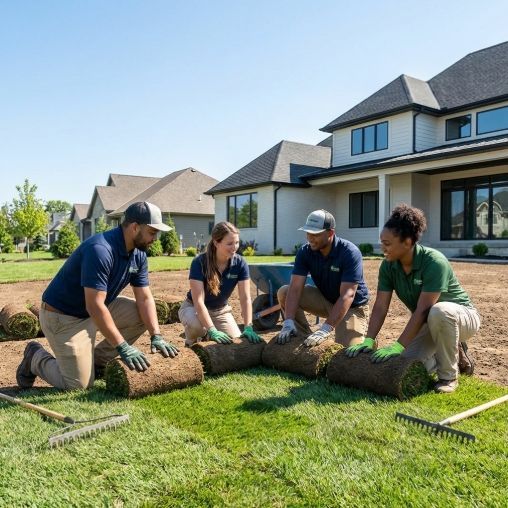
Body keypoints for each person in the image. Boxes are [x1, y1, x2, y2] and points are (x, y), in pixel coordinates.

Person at [16, 201, 180, 391]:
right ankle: (35, 357)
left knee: (141, 315)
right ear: (135, 227)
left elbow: (144, 298)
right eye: (152, 232)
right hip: (64, 317)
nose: (155, 238)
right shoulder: (101, 250)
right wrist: (122, 346)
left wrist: (156, 335)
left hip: (95, 307)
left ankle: (97, 363)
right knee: (78, 385)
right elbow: (94, 305)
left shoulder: (138, 254)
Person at [345, 204, 480, 394]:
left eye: (387, 243)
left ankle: (448, 377)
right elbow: (381, 306)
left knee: (439, 311)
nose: (382, 247)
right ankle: (453, 352)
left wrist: (398, 345)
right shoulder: (388, 266)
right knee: (407, 366)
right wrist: (368, 340)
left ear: (407, 242)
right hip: (429, 321)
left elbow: (424, 309)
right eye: (381, 242)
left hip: (461, 318)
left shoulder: (434, 262)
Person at [276, 209, 370, 347]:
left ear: (330, 233)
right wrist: (288, 320)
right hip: (325, 299)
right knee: (284, 292)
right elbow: (295, 289)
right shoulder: (305, 252)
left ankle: (362, 339)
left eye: (315, 234)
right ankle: (300, 338)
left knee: (347, 351)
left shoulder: (349, 252)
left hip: (352, 307)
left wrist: (325, 329)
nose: (310, 238)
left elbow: (347, 295)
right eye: (308, 233)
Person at [178, 221, 262, 346]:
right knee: (196, 327)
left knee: (235, 342)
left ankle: (206, 334)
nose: (235, 247)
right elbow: (199, 301)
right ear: (216, 243)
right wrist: (212, 330)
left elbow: (245, 298)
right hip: (193, 308)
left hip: (220, 311)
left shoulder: (240, 263)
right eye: (229, 243)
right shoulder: (199, 262)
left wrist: (248, 326)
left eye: (237, 242)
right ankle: (191, 341)